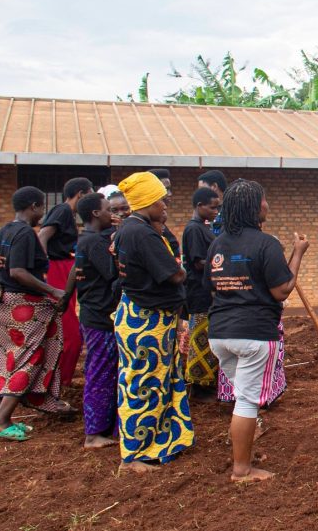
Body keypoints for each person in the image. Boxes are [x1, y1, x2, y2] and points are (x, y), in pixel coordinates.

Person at [207, 179, 309, 481]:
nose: (268, 205)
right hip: (253, 334)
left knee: (242, 397)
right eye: (264, 200)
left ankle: (244, 449)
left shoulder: (217, 244)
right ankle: (241, 469)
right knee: (248, 400)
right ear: (254, 207)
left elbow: (210, 288)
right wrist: (298, 252)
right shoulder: (266, 244)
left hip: (220, 334)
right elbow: (282, 290)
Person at [113, 171, 193, 471]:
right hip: (148, 320)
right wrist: (181, 268)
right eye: (161, 200)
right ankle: (133, 456)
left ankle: (160, 442)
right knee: (144, 383)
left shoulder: (129, 229)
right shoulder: (142, 233)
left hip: (142, 313)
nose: (165, 205)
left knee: (159, 381)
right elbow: (174, 274)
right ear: (148, 201)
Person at [0, 187, 73, 441]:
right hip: (23, 308)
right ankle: (0, 420)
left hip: (3, 305)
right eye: (42, 207)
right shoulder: (24, 234)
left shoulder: (4, 231)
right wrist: (53, 289)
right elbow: (18, 272)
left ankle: (1, 416)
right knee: (29, 359)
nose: (42, 212)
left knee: (7, 358)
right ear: (33, 206)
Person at [63, 192, 121, 448]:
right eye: (109, 209)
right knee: (100, 373)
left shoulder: (86, 240)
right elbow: (113, 274)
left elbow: (75, 274)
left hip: (94, 314)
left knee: (105, 372)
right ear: (96, 213)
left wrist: (65, 297)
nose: (114, 214)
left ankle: (105, 428)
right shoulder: (95, 242)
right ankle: (94, 434)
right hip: (100, 318)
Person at [38, 177, 92, 386]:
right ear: (81, 194)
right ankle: (57, 383)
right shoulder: (62, 211)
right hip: (57, 269)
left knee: (67, 331)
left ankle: (60, 381)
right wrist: (43, 269)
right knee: (70, 334)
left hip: (64, 268)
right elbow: (42, 236)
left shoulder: (67, 213)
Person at [182, 187, 221, 393]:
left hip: (206, 292)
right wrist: (222, 266)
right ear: (199, 206)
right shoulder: (194, 229)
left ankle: (207, 383)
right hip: (199, 292)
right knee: (200, 338)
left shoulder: (203, 227)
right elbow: (198, 263)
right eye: (212, 207)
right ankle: (199, 387)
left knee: (207, 337)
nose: (216, 211)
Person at [147, 168, 181, 263]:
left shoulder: (160, 220)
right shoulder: (147, 225)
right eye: (165, 189)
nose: (170, 194)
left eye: (170, 189)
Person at [198, 169, 228, 235]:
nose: (199, 193)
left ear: (214, 186)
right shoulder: (202, 210)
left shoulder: (232, 211)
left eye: (202, 189)